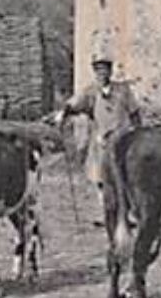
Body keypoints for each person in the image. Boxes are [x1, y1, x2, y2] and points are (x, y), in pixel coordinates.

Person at [58, 57, 143, 202]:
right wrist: (63, 114)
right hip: (101, 141)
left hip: (122, 137)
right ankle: (104, 210)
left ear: (110, 71)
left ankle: (126, 212)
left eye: (105, 70)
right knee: (100, 177)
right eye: (98, 71)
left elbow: (134, 112)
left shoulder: (122, 90)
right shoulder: (91, 92)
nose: (102, 74)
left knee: (124, 175)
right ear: (95, 73)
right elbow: (74, 105)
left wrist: (138, 132)